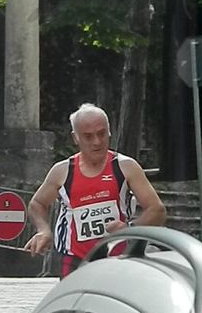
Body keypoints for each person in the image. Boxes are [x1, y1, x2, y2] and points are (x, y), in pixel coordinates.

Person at [24, 103, 166, 278]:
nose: (97, 142)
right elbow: (37, 203)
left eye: (101, 133)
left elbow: (157, 210)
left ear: (109, 132)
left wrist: (130, 228)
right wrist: (43, 230)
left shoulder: (125, 166)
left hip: (117, 256)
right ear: (75, 138)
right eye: (88, 136)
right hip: (74, 258)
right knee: (76, 305)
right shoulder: (63, 171)